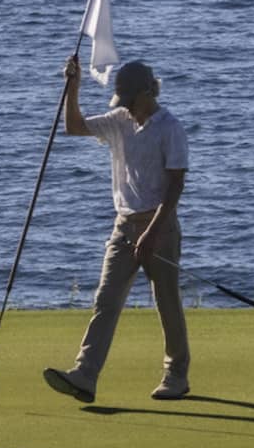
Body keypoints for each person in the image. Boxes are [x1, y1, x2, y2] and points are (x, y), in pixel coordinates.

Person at [43, 54, 190, 404]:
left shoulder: (170, 128)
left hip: (160, 225)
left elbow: (175, 187)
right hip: (124, 225)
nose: (128, 108)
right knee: (106, 300)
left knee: (166, 301)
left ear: (147, 93)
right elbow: (74, 126)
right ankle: (85, 375)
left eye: (131, 102)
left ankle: (176, 374)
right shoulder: (119, 120)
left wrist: (153, 233)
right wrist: (72, 88)